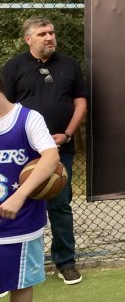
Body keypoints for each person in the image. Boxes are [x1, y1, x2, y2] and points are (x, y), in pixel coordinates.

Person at [2, 17, 87, 285]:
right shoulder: (13, 67)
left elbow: (81, 103)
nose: (49, 37)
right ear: (28, 39)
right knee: (16, 201)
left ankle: (66, 262)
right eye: (42, 34)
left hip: (60, 147)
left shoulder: (69, 64)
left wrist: (67, 134)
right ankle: (11, 265)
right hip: (23, 150)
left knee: (60, 204)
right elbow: (6, 108)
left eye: (51, 32)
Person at [0, 72, 60, 302]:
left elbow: (50, 157)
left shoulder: (27, 118)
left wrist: (20, 195)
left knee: (21, 282)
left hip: (20, 223)